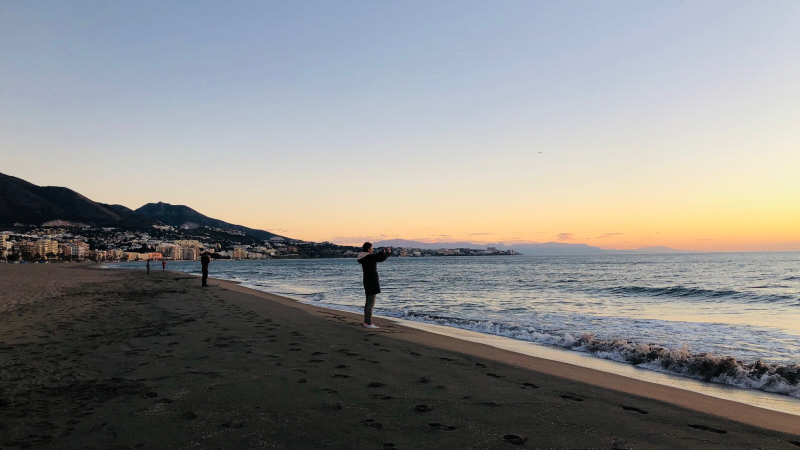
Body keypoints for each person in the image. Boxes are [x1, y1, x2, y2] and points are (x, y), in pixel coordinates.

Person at [357, 242, 391, 329]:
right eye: (371, 248)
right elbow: (379, 258)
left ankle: (366, 321)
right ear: (368, 249)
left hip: (367, 281)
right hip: (371, 281)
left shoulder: (364, 257)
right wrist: (387, 253)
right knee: (370, 303)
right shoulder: (368, 257)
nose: (372, 250)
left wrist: (383, 253)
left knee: (368, 303)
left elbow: (377, 257)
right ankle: (368, 322)